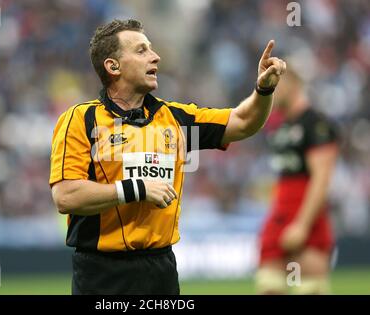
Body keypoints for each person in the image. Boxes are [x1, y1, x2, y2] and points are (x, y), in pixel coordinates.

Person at [49, 19, 286, 295]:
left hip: (161, 271)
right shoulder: (81, 119)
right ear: (113, 67)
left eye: (151, 49)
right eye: (141, 51)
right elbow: (66, 196)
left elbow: (244, 122)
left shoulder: (175, 118)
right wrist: (136, 188)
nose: (155, 56)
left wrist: (264, 90)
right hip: (101, 274)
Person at [256, 66, 339, 294]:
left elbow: (321, 180)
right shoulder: (279, 126)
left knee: (310, 289)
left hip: (305, 214)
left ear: (293, 84)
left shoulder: (316, 124)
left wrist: (302, 225)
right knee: (269, 286)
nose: (272, 90)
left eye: (277, 85)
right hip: (280, 213)